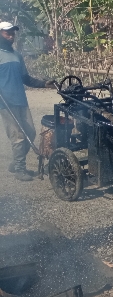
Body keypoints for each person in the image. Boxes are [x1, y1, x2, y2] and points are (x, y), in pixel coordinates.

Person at [0, 22, 56, 181]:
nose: (11, 35)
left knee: (30, 132)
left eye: (12, 32)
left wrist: (44, 84)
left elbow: (26, 79)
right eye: (6, 33)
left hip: (20, 100)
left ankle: (15, 163)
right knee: (18, 136)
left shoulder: (17, 55)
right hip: (5, 103)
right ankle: (20, 169)